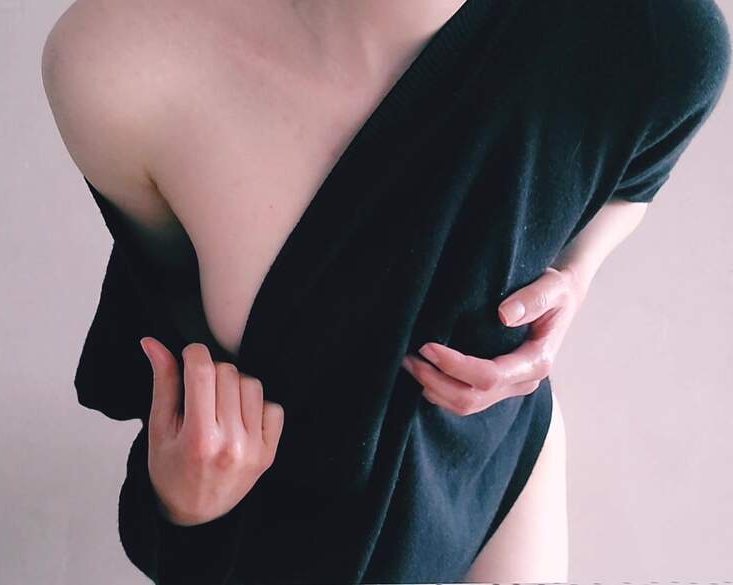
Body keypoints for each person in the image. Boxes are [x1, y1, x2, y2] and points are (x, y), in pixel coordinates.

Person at [42, 0, 730, 582]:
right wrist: (183, 505)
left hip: (486, 482)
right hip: (282, 537)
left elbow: (645, 163)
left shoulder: (645, 34)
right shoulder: (116, 61)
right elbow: (167, 336)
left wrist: (577, 271)